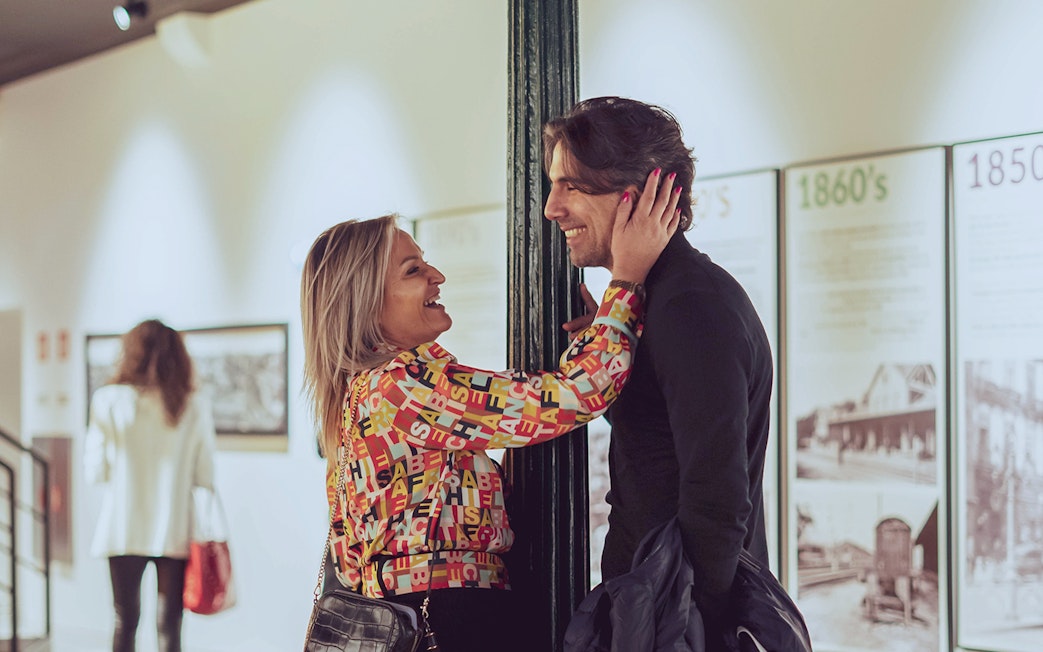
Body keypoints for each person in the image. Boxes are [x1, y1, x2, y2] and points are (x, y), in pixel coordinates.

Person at [299, 179, 679, 652]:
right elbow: (577, 393)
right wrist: (627, 283)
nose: (437, 275)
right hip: (450, 617)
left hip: (423, 609)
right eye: (414, 270)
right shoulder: (401, 386)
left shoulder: (363, 391)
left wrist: (601, 330)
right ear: (366, 300)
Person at [543, 96, 774, 649]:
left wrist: (683, 632)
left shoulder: (691, 306)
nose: (552, 208)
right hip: (651, 613)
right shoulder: (659, 301)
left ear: (642, 192)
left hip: (675, 626)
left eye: (572, 185)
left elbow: (716, 506)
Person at [84, 319, 217, 652]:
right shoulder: (192, 405)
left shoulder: (107, 401)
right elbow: (206, 476)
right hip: (173, 528)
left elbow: (95, 472)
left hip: (122, 527)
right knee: (169, 625)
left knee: (124, 621)